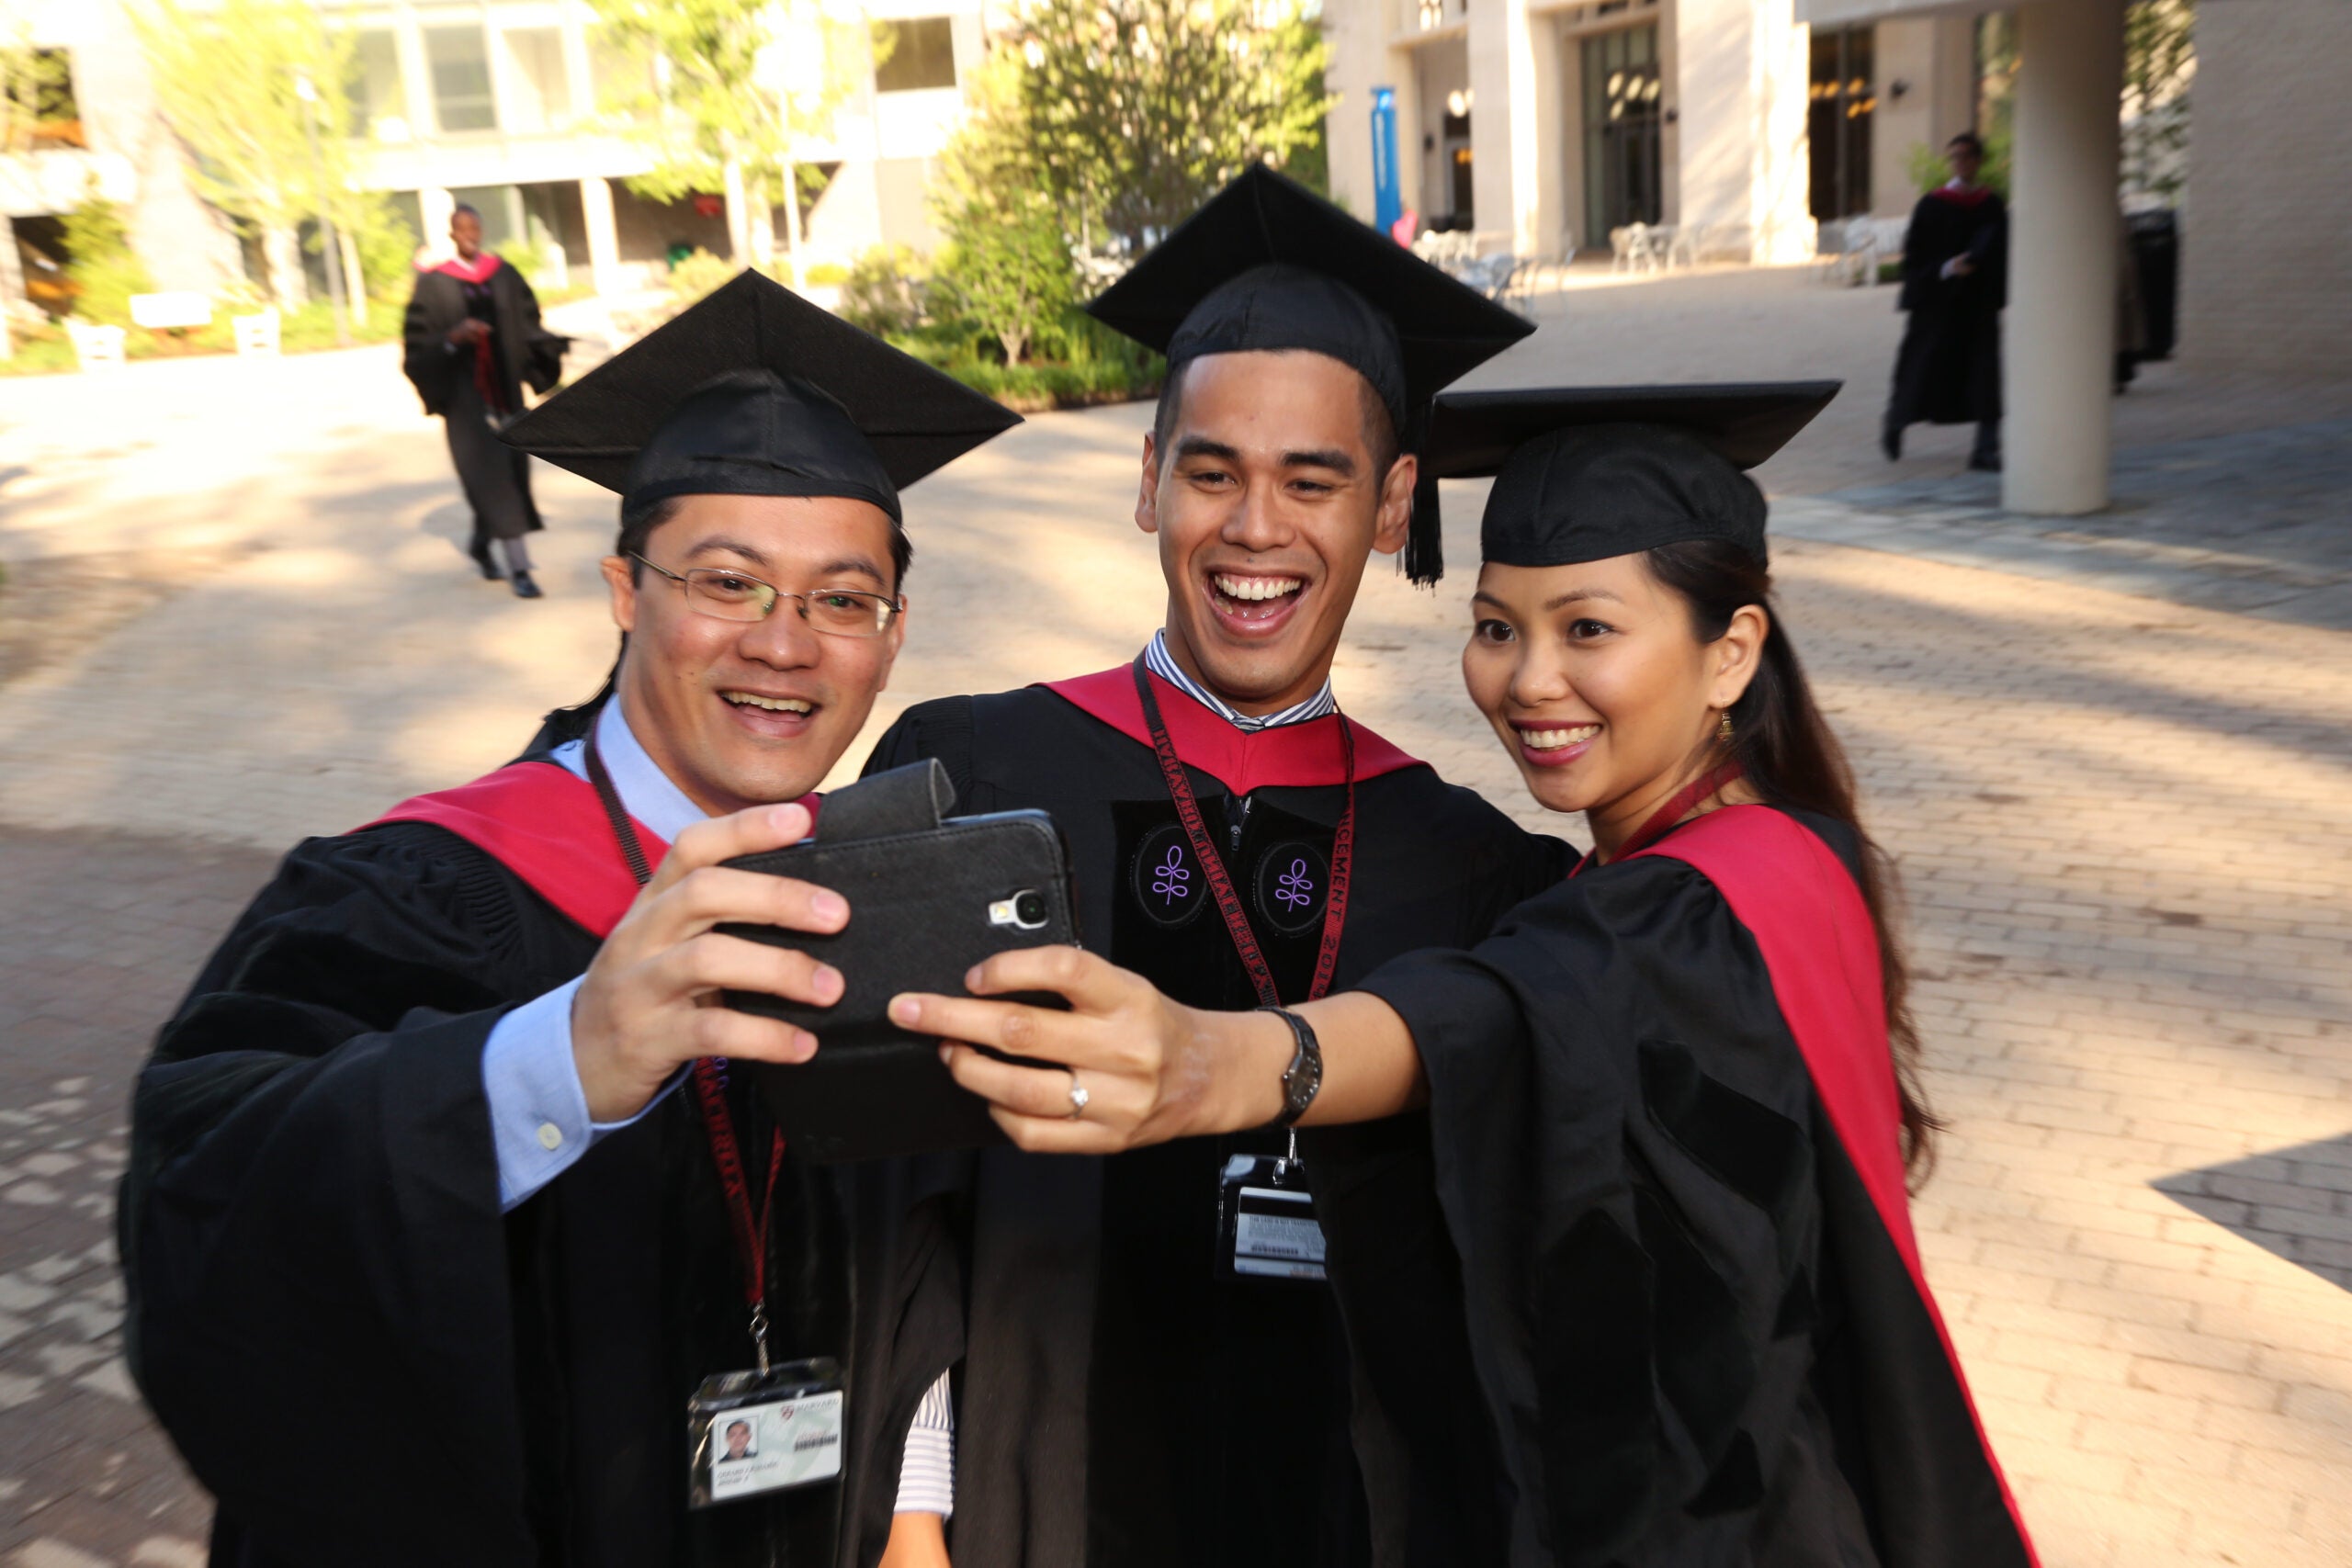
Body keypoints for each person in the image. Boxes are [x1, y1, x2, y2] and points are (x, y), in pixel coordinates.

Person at [899, 382, 2042, 1566]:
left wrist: (1226, 1061)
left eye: (1588, 630)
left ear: (1729, 653)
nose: (1529, 681)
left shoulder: (1716, 893)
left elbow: (1505, 1008)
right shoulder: (1774, 856)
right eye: (1498, 627)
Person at [121, 271, 1020, 1568]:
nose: (785, 643)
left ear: (891, 636)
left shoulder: (883, 894)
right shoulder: (419, 888)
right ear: (621, 589)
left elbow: (920, 1239)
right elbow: (198, 1184)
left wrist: (916, 1510)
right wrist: (556, 1059)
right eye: (728, 580)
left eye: (842, 598)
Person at [858, 165, 1570, 1568]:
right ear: (1147, 483)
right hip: (1031, 1500)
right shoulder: (976, 773)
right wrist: (910, 1512)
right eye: (1211, 471)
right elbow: (888, 1197)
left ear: (1391, 503)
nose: (1256, 530)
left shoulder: (1472, 866)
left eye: (1314, 481)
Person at [402, 203, 568, 597]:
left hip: (507, 392)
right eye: (462, 229)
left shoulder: (504, 273)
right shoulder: (433, 284)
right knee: (491, 479)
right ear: (451, 233)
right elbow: (416, 346)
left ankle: (480, 544)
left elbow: (528, 323)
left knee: (511, 474)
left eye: (475, 228)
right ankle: (521, 569)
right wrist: (451, 337)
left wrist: (546, 347)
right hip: (465, 401)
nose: (470, 235)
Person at [1883, 132, 2007, 473]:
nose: (1961, 162)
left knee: (1984, 375)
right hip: (1936, 303)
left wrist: (1982, 267)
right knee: (1920, 368)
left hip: (1977, 306)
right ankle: (1895, 424)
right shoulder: (1932, 204)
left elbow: (2003, 254)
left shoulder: (1991, 205)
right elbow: (1915, 258)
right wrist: (1948, 267)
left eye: (1967, 156)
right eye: (1955, 156)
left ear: (1978, 161)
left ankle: (1986, 449)